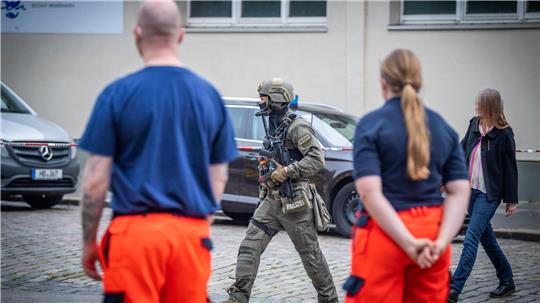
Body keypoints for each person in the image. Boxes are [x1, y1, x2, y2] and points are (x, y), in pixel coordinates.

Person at [79, 1, 238, 302]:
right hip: (191, 237)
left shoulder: (117, 94)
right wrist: (201, 224)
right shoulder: (209, 96)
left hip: (135, 237)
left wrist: (89, 243)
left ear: (137, 34)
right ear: (180, 35)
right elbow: (218, 176)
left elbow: (95, 180)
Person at [344, 49, 470, 303]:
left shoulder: (371, 124)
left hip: (384, 233)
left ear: (383, 83)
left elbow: (369, 192)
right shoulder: (443, 127)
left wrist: (408, 242)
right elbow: (459, 191)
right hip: (432, 233)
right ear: (419, 82)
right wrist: (442, 241)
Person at [222, 78, 339, 303]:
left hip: (295, 202)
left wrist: (288, 171)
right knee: (249, 246)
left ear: (276, 98)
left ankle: (329, 300)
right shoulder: (272, 126)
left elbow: (316, 158)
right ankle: (238, 296)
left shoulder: (297, 126)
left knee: (311, 256)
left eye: (263, 97)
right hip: (271, 201)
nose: (259, 102)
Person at [448, 88, 518, 302]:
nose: (476, 107)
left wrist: (511, 200)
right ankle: (507, 280)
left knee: (470, 240)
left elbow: (510, 168)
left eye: (480, 104)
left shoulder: (504, 133)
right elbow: (461, 151)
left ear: (491, 107)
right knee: (488, 241)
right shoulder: (474, 124)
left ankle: (453, 290)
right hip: (471, 192)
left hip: (489, 195)